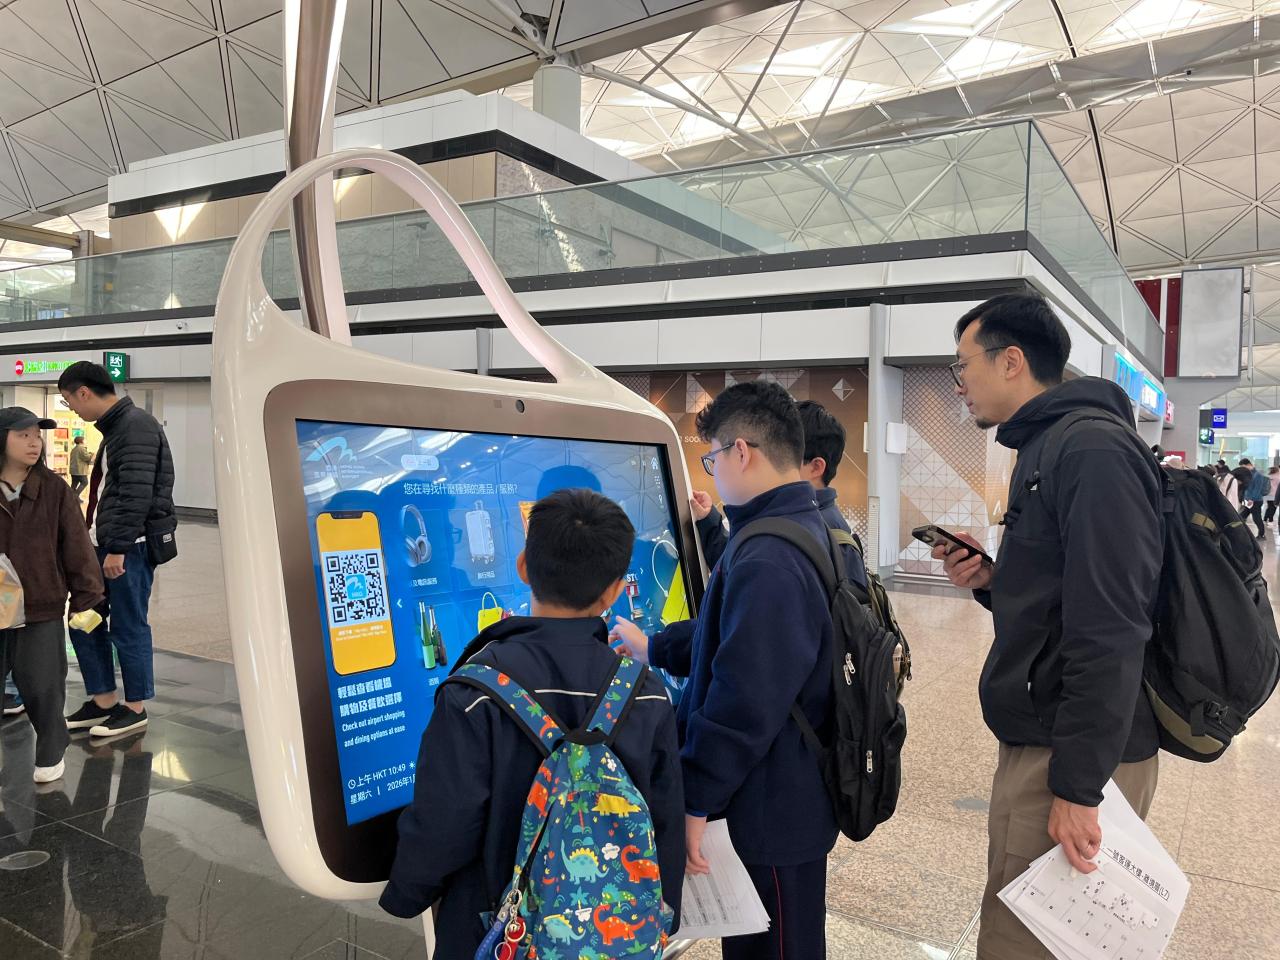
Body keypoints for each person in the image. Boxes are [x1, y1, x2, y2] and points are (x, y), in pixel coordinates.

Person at [935, 294, 1162, 960]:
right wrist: (993, 582)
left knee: (1027, 943)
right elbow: (1062, 599)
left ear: (1011, 361)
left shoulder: (1090, 449)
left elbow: (1112, 625)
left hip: (1072, 747)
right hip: (1048, 734)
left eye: (963, 365)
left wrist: (1078, 785)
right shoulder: (1048, 445)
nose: (959, 383)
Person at [379, 489, 685, 956]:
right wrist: (662, 915)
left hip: (496, 933)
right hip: (612, 937)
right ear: (614, 591)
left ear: (523, 566)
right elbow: (664, 821)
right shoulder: (645, 692)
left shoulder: (473, 694)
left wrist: (406, 894)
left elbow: (444, 825)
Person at [613, 380, 837, 960]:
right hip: (792, 790)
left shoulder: (769, 557)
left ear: (742, 452)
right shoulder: (803, 526)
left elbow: (743, 700)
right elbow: (731, 638)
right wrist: (656, 647)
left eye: (712, 459)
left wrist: (696, 801)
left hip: (771, 808)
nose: (712, 474)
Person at [57, 362, 176, 739]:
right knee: (84, 618)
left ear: (84, 392)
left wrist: (118, 550)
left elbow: (135, 493)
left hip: (128, 549)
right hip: (106, 545)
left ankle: (135, 707)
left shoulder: (135, 426)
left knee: (127, 625)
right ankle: (103, 700)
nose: (73, 409)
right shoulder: (117, 427)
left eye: (69, 401)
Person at [0, 407, 105, 782]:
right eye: (23, 435)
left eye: (36, 435)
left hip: (40, 603)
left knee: (42, 684)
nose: (34, 442)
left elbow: (77, 547)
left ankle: (50, 749)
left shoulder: (54, 490)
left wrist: (86, 598)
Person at [693, 398, 869, 590]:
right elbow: (742, 568)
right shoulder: (797, 522)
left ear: (816, 467)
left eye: (783, 457)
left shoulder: (822, 536)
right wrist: (708, 519)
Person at [1236, 458, 1267, 539]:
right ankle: (1239, 533)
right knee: (1241, 517)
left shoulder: (1258, 475)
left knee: (1256, 518)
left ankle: (1262, 535)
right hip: (1247, 500)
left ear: (1249, 465)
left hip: (1255, 501)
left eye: (1243, 467)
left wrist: (1251, 499)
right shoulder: (1248, 474)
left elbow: (1257, 489)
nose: (1243, 469)